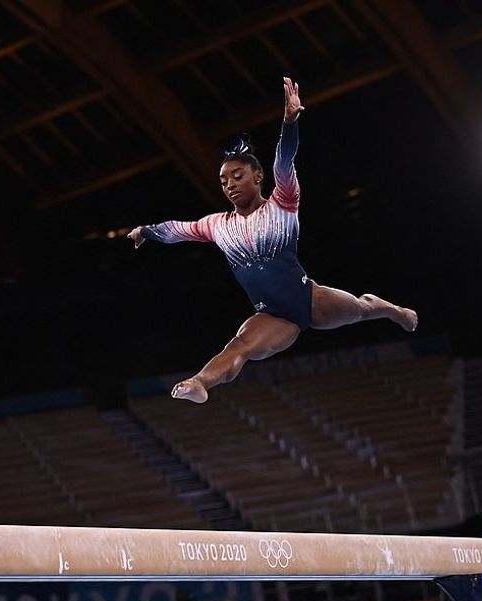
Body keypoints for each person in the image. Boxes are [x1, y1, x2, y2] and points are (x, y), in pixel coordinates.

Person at [128, 77, 418, 403]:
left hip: (309, 299)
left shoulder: (283, 203)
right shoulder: (217, 225)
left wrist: (290, 122)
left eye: (238, 176)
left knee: (362, 309)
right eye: (224, 181)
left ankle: (395, 311)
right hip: (272, 316)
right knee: (240, 345)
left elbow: (284, 160)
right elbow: (177, 230)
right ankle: (200, 383)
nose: (230, 185)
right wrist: (147, 231)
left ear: (258, 176)